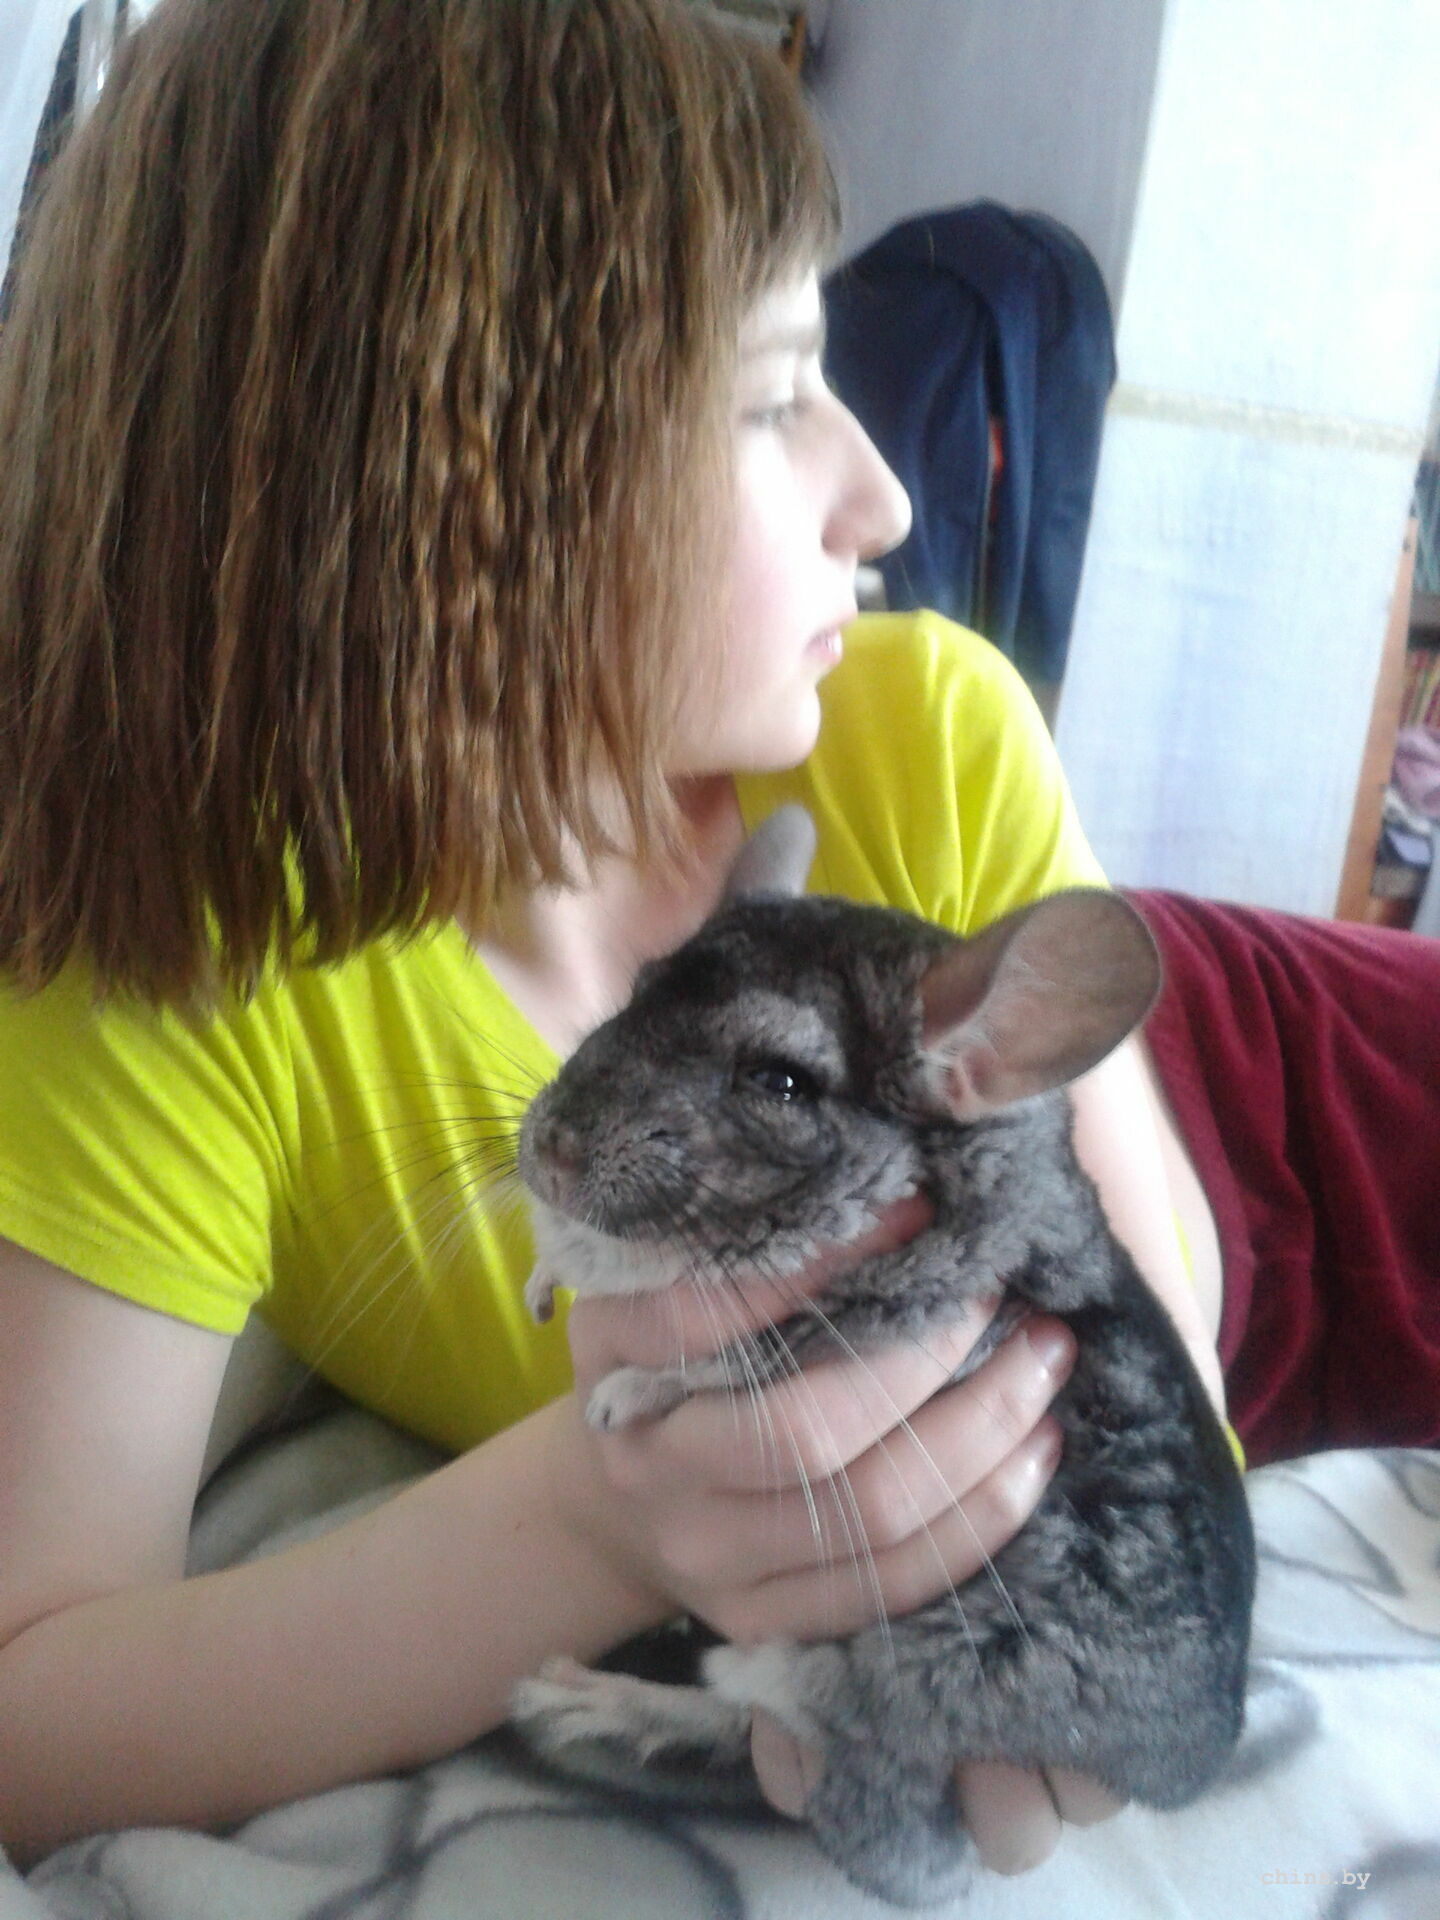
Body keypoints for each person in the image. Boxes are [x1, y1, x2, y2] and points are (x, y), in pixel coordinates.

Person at [0, 0, 1226, 1876]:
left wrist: (1039, 1668)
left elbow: (1164, 1350)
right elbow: (31, 1703)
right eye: (773, 398)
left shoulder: (936, 736)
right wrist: (594, 1520)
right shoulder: (177, 952)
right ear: (443, 480)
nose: (887, 496)